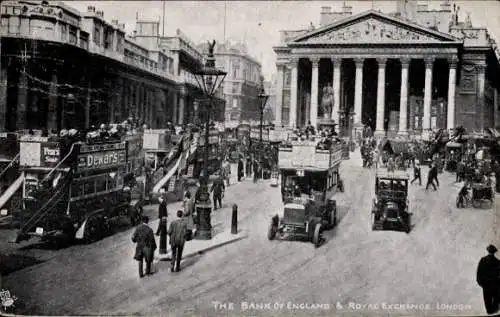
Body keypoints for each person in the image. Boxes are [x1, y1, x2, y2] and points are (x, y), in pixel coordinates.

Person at [477, 245, 500, 314]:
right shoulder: (498, 262)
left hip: (486, 286)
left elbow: (479, 273)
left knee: (488, 306)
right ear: (494, 252)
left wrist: (482, 284)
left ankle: (490, 313)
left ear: (488, 251)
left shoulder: (483, 260)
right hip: (495, 286)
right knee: (495, 305)